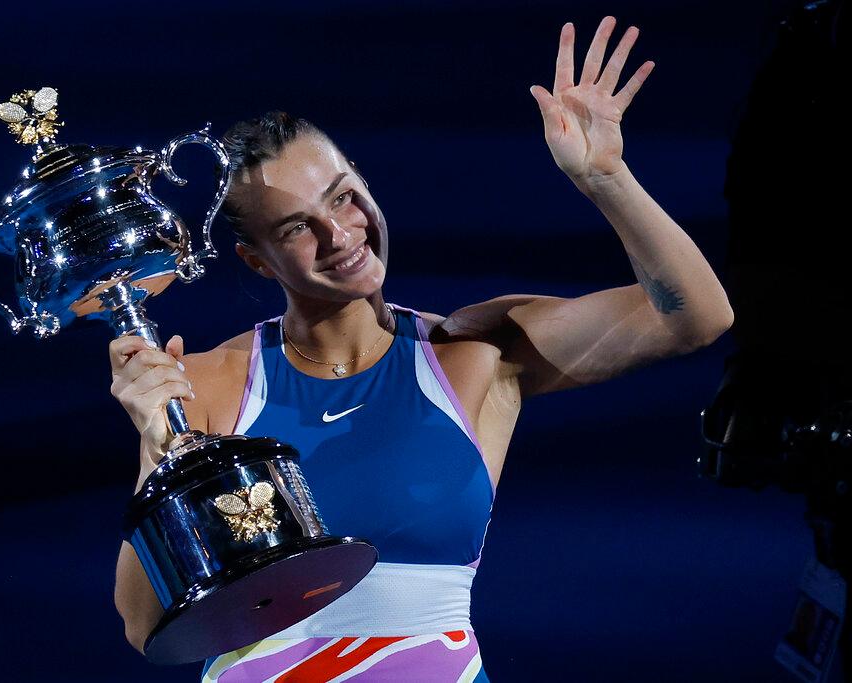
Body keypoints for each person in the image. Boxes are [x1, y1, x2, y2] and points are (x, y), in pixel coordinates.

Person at [110, 16, 734, 682]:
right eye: (297, 227)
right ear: (256, 261)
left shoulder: (477, 351)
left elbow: (695, 317)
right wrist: (157, 446)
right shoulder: (206, 380)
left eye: (345, 196)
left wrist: (606, 177)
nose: (340, 233)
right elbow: (145, 624)